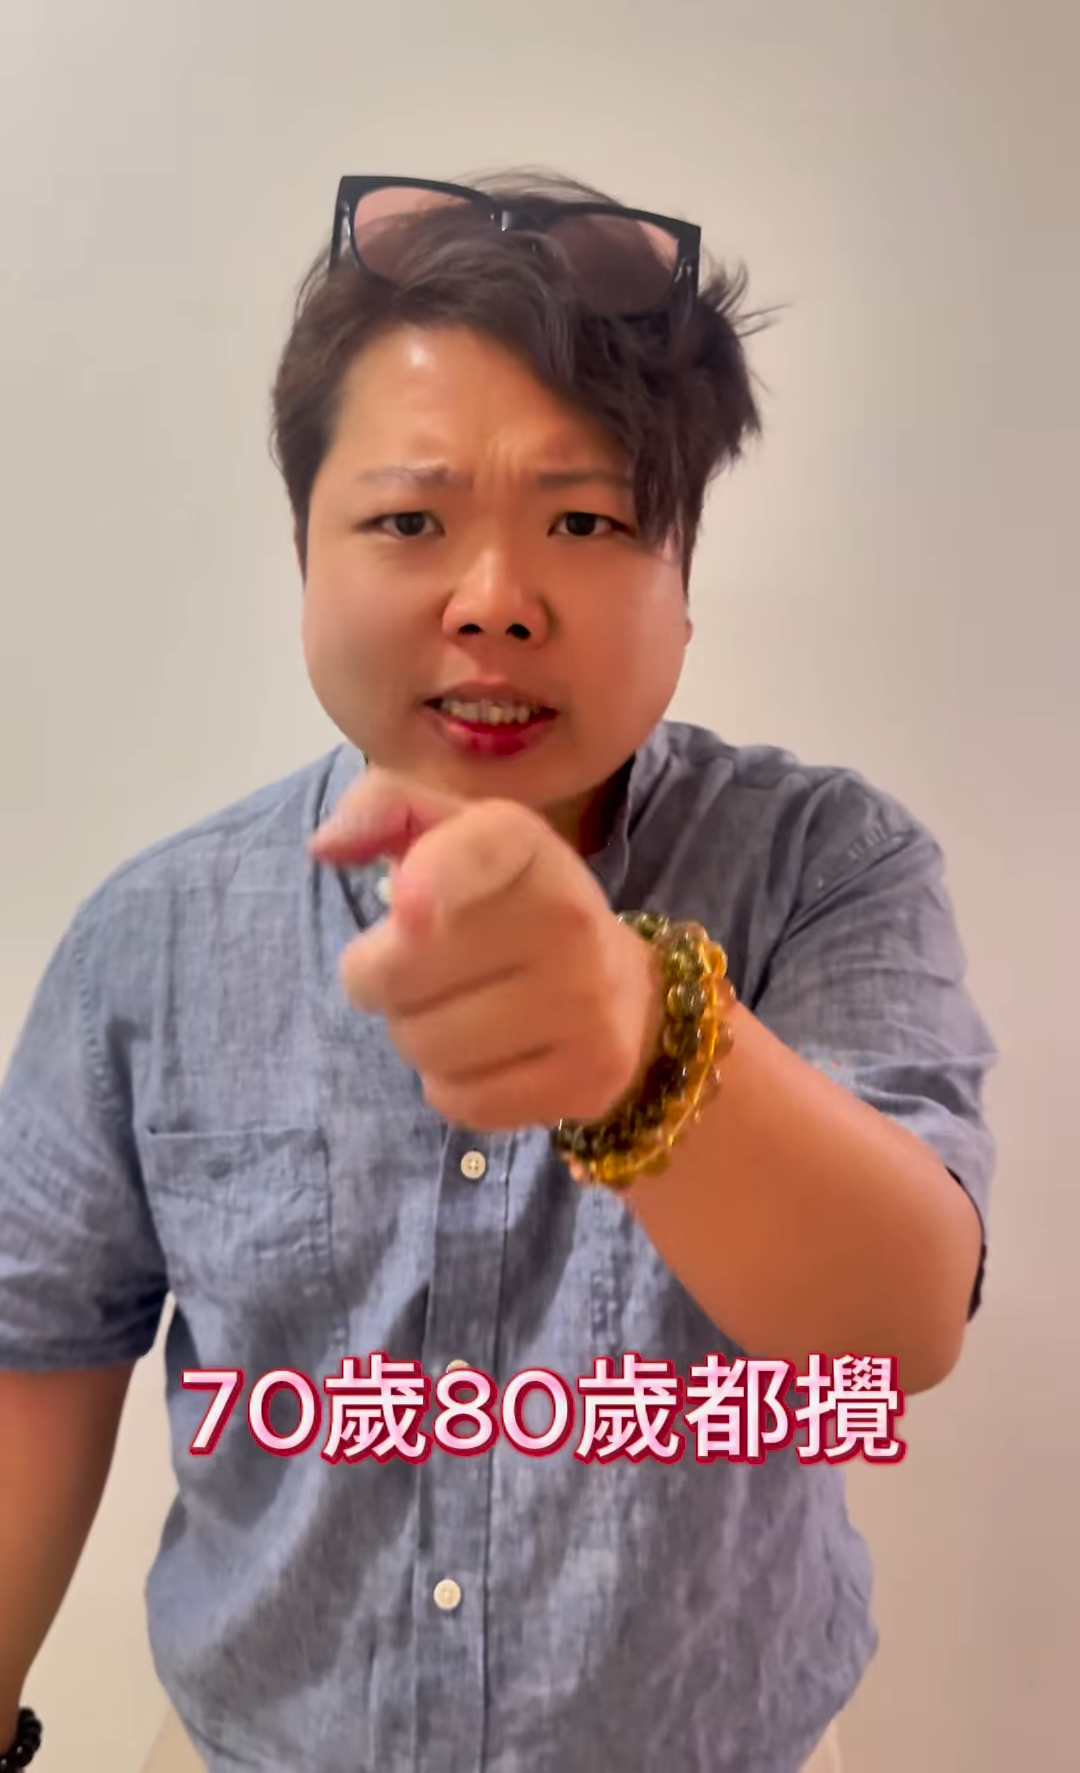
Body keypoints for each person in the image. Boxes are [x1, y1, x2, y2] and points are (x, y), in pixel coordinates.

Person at [0, 171, 995, 1773]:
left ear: (682, 583)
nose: (494, 603)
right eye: (410, 521)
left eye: (586, 523)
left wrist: (648, 1042)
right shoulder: (152, 934)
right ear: (305, 555)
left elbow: (895, 1331)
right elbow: (36, 1355)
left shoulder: (828, 869)